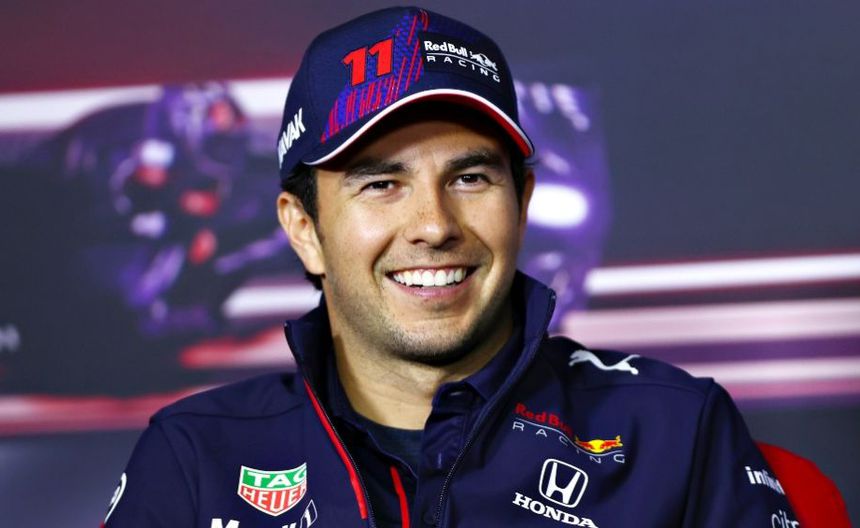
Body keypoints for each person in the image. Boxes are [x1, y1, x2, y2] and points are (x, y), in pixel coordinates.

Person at [103, 7, 798, 527]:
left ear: (521, 204)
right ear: (304, 229)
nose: (435, 225)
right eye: (382, 183)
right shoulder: (194, 456)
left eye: (470, 178)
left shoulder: (675, 429)